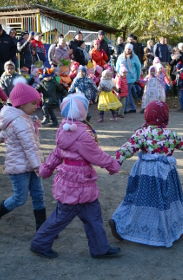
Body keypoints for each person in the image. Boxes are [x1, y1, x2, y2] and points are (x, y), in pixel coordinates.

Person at [31, 94, 121, 259]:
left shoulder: (64, 129)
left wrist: (47, 168)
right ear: (83, 112)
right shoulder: (82, 135)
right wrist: (113, 165)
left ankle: (100, 248)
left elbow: (57, 153)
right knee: (62, 217)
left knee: (92, 216)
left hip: (76, 184)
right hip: (78, 183)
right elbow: (96, 155)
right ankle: (39, 243)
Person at [109, 100, 183, 247]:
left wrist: (115, 162)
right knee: (167, 201)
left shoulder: (142, 133)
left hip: (144, 173)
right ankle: (172, 228)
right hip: (165, 174)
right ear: (165, 116)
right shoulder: (171, 134)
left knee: (138, 198)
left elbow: (126, 148)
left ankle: (121, 223)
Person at [0, 82, 46, 234]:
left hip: (30, 165)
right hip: (20, 168)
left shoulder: (22, 119)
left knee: (38, 194)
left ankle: (43, 228)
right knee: (20, 198)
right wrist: (39, 167)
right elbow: (29, 147)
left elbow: (4, 134)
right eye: (33, 104)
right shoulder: (20, 122)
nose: (35, 107)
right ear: (21, 104)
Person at [115, 43, 141, 114]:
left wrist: (138, 77)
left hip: (131, 78)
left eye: (129, 49)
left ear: (131, 49)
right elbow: (117, 65)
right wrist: (117, 73)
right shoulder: (121, 56)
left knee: (126, 92)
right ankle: (132, 108)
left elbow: (138, 67)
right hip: (122, 77)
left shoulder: (135, 57)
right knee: (128, 93)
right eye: (126, 48)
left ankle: (124, 109)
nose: (127, 50)